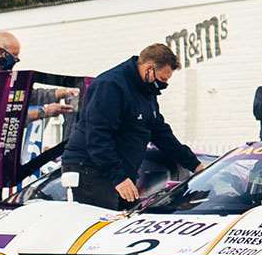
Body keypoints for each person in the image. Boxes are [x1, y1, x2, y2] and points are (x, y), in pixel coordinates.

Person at [60, 42, 197, 209]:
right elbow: (98, 136)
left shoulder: (146, 91)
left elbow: (160, 133)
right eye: (162, 80)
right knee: (104, 220)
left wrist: (194, 165)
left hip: (121, 171)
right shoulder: (111, 86)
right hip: (91, 168)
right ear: (149, 69)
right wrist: (118, 177)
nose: (163, 85)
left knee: (129, 216)